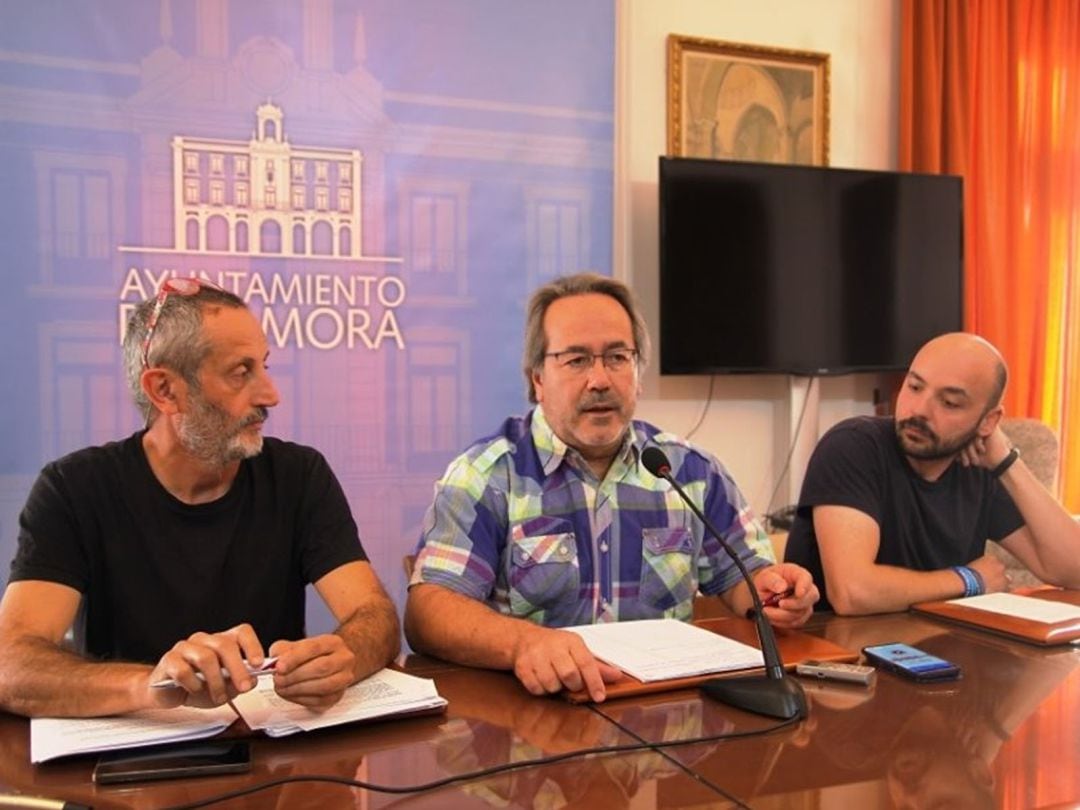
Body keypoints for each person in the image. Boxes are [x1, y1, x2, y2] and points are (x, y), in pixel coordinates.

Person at [404, 273, 818, 702]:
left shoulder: (688, 471)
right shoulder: (487, 475)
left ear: (637, 373)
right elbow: (429, 612)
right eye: (576, 360)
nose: (599, 380)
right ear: (537, 380)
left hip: (665, 718)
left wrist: (774, 591)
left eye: (617, 357)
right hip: (537, 725)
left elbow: (742, 577)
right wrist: (522, 644)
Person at [0, 279, 399, 718]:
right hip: (128, 770)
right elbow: (11, 664)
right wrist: (151, 686)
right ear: (165, 390)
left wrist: (342, 656)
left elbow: (375, 616)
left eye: (264, 366)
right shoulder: (73, 489)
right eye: (241, 372)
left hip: (273, 755)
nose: (270, 395)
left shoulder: (298, 475)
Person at [785, 332, 1080, 614]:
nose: (920, 410)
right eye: (914, 387)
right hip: (840, 655)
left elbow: (1074, 571)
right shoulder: (854, 446)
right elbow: (852, 592)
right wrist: (969, 580)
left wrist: (1006, 462)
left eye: (949, 402)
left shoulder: (977, 467)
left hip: (943, 650)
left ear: (988, 421)